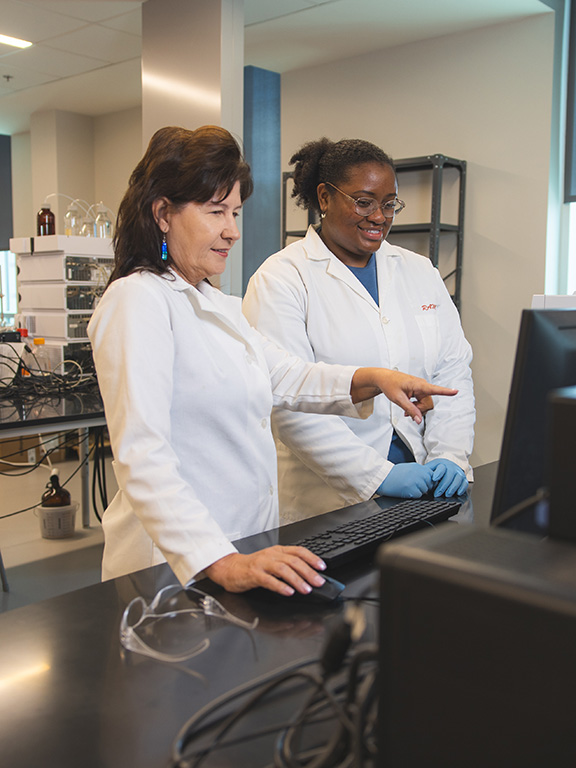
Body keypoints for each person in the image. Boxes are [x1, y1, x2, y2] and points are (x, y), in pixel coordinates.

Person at [88, 126, 458, 597]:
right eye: (215, 211)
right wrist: (219, 561)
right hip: (175, 561)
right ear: (163, 213)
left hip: (245, 547)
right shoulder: (137, 300)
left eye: (236, 212)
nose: (232, 230)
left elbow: (284, 375)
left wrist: (373, 378)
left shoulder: (216, 304)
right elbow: (142, 457)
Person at [243, 137, 475, 523]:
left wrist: (449, 455)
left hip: (425, 489)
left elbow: (452, 374)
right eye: (364, 202)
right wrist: (378, 475)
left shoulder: (419, 271)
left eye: (389, 204)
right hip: (327, 501)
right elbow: (288, 401)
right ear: (324, 197)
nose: (379, 217)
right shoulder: (282, 278)